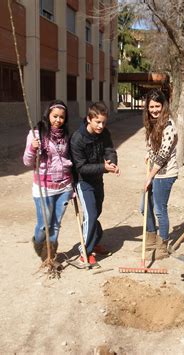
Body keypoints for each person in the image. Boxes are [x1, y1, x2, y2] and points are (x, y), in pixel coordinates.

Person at [69, 102, 120, 266]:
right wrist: (103, 168)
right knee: (90, 215)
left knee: (95, 213)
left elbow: (109, 150)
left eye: (104, 122)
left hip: (98, 179)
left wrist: (112, 162)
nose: (101, 126)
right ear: (89, 119)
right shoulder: (77, 138)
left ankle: (94, 240)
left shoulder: (105, 133)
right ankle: (85, 251)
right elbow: (81, 167)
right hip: (83, 182)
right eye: (98, 122)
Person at [23, 100, 73, 262]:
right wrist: (32, 148)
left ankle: (49, 258)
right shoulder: (36, 134)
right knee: (44, 226)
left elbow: (67, 158)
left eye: (61, 117)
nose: (58, 120)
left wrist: (72, 185)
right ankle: (38, 242)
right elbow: (27, 161)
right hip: (44, 187)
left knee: (56, 224)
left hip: (64, 186)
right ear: (48, 115)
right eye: (55, 116)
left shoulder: (66, 135)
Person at [136, 89, 178, 260]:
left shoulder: (169, 126)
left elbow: (163, 156)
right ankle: (151, 238)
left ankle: (162, 246)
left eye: (157, 106)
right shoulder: (153, 123)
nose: (154, 110)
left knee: (160, 210)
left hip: (165, 174)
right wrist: (148, 153)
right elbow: (154, 148)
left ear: (163, 106)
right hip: (155, 171)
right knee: (144, 207)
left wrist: (150, 177)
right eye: (151, 106)